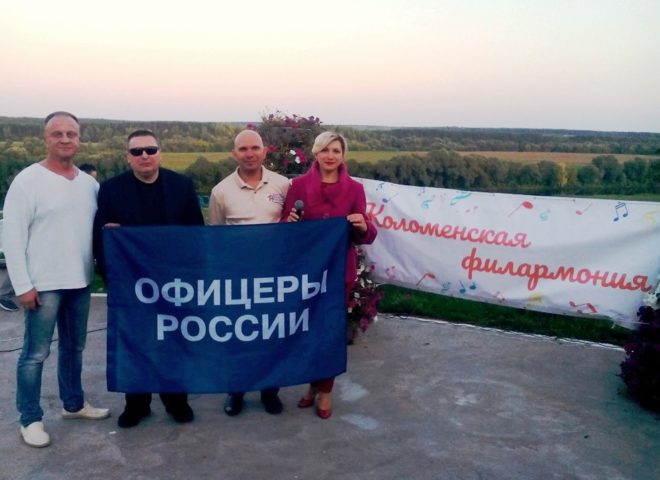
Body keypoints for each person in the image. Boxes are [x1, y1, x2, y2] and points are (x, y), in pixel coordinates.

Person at [2, 111, 110, 448]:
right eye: (57, 134)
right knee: (35, 354)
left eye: (71, 134)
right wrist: (23, 285)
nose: (65, 139)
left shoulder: (89, 185)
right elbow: (12, 237)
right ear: (45, 138)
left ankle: (73, 404)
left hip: (80, 281)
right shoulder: (27, 181)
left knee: (74, 348)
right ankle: (30, 419)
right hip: (43, 285)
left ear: (79, 139)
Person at [93, 129, 204, 428]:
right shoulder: (111, 190)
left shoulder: (181, 186)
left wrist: (193, 277)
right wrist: (112, 275)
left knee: (174, 343)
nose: (144, 156)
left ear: (160, 153)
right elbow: (100, 238)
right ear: (128, 157)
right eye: (137, 151)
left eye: (150, 150)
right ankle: (137, 404)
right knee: (135, 344)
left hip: (175, 283)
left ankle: (176, 401)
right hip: (132, 285)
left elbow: (196, 234)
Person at [282, 131, 377, 419]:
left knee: (329, 333)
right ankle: (313, 385)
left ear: (343, 155)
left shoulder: (355, 189)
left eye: (336, 150)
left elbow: (364, 234)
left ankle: (326, 389)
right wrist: (289, 222)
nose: (330, 155)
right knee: (308, 332)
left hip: (338, 272)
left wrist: (363, 225)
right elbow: (286, 230)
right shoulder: (298, 186)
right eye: (325, 150)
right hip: (306, 273)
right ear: (316, 152)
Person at [209, 129, 290, 416]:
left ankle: (270, 390)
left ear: (264, 151)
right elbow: (216, 236)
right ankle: (237, 390)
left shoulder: (283, 185)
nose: (250, 153)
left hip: (275, 277)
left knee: (272, 334)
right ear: (234, 153)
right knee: (238, 336)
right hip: (238, 277)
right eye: (243, 149)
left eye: (255, 147)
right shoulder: (220, 191)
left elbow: (294, 228)